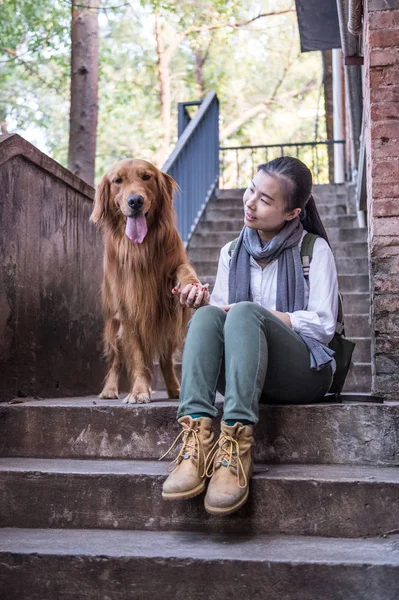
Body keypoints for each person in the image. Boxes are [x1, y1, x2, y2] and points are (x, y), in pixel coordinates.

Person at [161, 156, 338, 516]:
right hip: (247, 371)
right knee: (211, 315)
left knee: (243, 311)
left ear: (292, 213)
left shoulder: (313, 250)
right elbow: (225, 317)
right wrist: (205, 305)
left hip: (303, 372)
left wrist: (260, 314)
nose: (250, 202)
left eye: (265, 200)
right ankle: (196, 438)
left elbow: (324, 325)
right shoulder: (231, 251)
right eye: (250, 189)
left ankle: (238, 444)